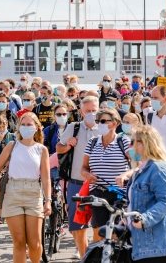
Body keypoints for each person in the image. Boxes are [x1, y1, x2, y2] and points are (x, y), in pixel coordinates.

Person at [0, 112, 51, 263]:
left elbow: (45, 177)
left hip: (34, 193)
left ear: (37, 127)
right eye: (23, 124)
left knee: (35, 243)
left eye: (29, 124)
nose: (26, 127)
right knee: (18, 241)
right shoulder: (12, 145)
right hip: (12, 193)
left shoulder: (42, 149)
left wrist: (48, 200)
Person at [126, 125, 166, 262]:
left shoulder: (159, 169)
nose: (131, 146)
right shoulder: (141, 170)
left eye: (134, 141)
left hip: (159, 246)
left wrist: (144, 219)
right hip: (144, 245)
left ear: (145, 143)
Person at [56, 96, 100, 258]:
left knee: (98, 225)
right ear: (81, 111)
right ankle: (84, 257)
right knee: (77, 226)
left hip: (97, 184)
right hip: (76, 183)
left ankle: (94, 256)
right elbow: (58, 148)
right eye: (88, 111)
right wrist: (68, 144)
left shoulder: (104, 128)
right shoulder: (73, 127)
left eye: (94, 110)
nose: (91, 114)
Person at [80, 108, 130, 241]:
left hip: (118, 194)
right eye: (98, 121)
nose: (99, 124)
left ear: (114, 123)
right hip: (97, 192)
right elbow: (84, 168)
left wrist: (125, 175)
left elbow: (137, 165)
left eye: (103, 121)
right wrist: (87, 175)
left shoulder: (123, 141)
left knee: (116, 233)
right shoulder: (93, 142)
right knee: (98, 233)